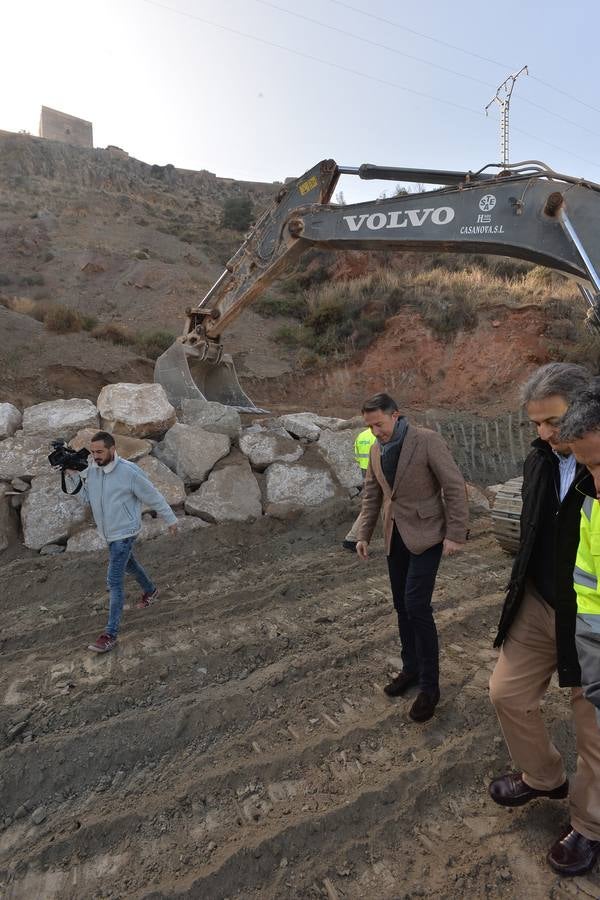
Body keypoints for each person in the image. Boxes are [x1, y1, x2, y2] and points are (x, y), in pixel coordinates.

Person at [488, 363, 600, 878]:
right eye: (535, 423)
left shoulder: (596, 462)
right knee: (506, 693)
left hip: (591, 615)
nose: (544, 434)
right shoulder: (539, 460)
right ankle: (543, 775)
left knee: (594, 728)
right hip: (539, 602)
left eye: (552, 421)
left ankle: (590, 826)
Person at [355, 392, 468, 722]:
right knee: (402, 607)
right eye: (369, 426)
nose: (375, 431)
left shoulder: (426, 441)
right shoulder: (376, 450)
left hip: (427, 534)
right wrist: (362, 535)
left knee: (417, 606)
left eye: (378, 424)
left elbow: (453, 484)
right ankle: (411, 670)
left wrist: (455, 534)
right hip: (395, 537)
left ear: (395, 415)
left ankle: (430, 687)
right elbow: (372, 495)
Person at [65, 431, 178, 654]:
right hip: (109, 533)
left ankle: (110, 634)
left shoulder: (129, 472)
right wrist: (72, 477)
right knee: (129, 565)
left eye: (99, 452)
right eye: (93, 452)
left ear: (112, 449)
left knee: (114, 581)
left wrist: (171, 518)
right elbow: (87, 499)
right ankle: (151, 590)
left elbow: (153, 495)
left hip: (124, 533)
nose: (95, 456)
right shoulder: (93, 472)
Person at [342, 426, 377, 551]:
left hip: (365, 470)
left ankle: (352, 538)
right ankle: (352, 538)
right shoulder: (378, 434)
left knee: (372, 504)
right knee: (373, 505)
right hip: (377, 470)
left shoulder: (361, 435)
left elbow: (356, 455)